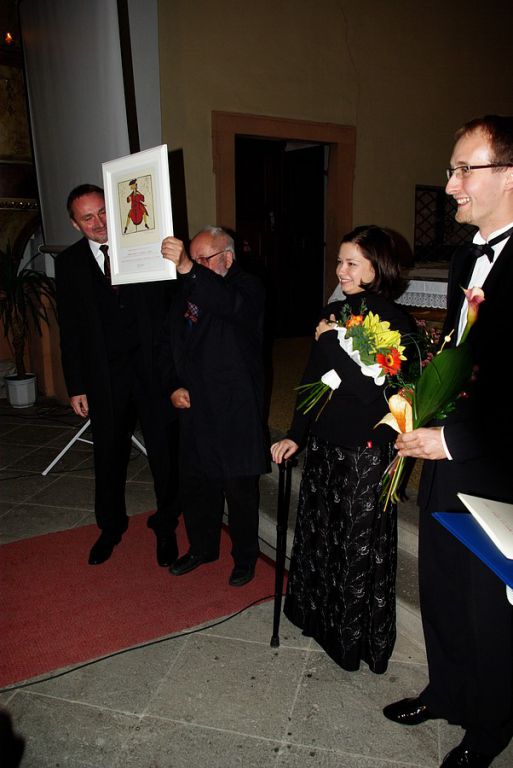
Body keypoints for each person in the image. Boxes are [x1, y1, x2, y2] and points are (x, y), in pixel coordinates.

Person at [383, 116, 513, 768]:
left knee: (487, 604)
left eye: (465, 169)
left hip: (495, 462)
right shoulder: (466, 258)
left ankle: (490, 727)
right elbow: (465, 358)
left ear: (509, 175)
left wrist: (453, 439)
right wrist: (419, 406)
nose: (450, 184)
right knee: (440, 584)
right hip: (447, 451)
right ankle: (448, 692)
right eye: (452, 168)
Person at [271, 225, 414, 673]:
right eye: (339, 261)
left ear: (378, 268)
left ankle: (352, 640)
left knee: (355, 548)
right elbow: (313, 380)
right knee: (320, 537)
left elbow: (375, 393)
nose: (341, 270)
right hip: (326, 443)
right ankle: (315, 618)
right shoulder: (333, 312)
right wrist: (296, 432)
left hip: (365, 451)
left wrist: (331, 340)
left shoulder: (396, 323)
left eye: (352, 262)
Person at [55, 184, 180, 566]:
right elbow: (70, 329)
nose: (98, 223)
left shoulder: (145, 248)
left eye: (103, 212)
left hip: (152, 372)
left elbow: (172, 307)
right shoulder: (69, 263)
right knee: (108, 455)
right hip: (104, 377)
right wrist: (76, 385)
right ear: (75, 224)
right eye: (87, 218)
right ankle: (110, 528)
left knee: (164, 452)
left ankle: (166, 526)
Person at [158, 226, 268, 587]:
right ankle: (202, 548)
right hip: (193, 405)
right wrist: (173, 384)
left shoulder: (247, 287)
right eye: (194, 258)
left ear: (228, 258)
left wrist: (190, 269)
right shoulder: (187, 289)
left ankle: (245, 557)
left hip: (234, 407)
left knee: (239, 490)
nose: (196, 265)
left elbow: (227, 304)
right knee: (196, 484)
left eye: (204, 259)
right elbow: (170, 341)